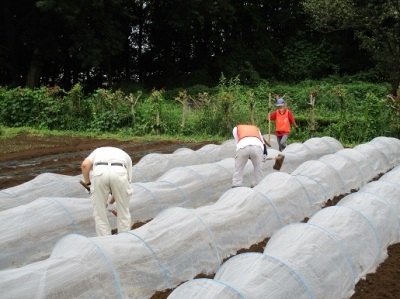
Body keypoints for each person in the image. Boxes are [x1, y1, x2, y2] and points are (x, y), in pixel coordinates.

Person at [81, 147, 133, 236]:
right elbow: (123, 187)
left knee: (100, 214)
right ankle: (124, 240)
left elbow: (85, 165)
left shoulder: (96, 152)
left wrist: (88, 183)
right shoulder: (126, 156)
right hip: (120, 172)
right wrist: (111, 202)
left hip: (99, 173)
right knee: (123, 213)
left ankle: (105, 243)